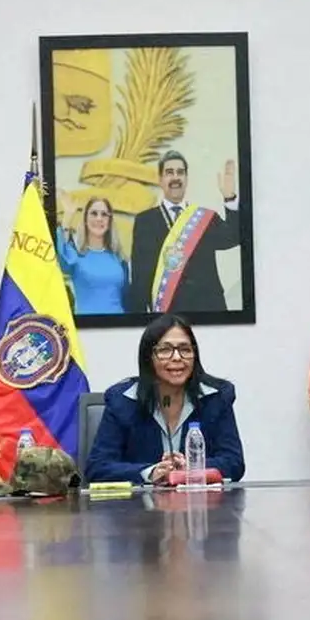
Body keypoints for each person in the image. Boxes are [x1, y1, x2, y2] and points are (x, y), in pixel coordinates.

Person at [85, 313, 245, 484]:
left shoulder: (216, 398)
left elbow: (234, 463)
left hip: (201, 499)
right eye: (165, 350)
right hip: (141, 501)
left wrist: (192, 468)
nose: (177, 357)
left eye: (185, 350)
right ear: (148, 357)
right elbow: (98, 467)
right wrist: (151, 472)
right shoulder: (123, 401)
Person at [127, 151, 242, 314]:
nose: (175, 178)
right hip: (168, 312)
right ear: (160, 180)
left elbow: (234, 236)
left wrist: (230, 198)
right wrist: (139, 318)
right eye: (169, 172)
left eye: (180, 172)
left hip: (208, 308)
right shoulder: (145, 221)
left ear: (186, 179)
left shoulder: (204, 218)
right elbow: (140, 275)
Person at [55, 196, 129, 314]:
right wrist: (68, 217)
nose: (99, 218)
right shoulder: (76, 256)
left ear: (109, 222)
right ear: (85, 219)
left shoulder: (119, 257)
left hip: (119, 323)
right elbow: (63, 260)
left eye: (104, 214)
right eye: (94, 213)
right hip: (87, 324)